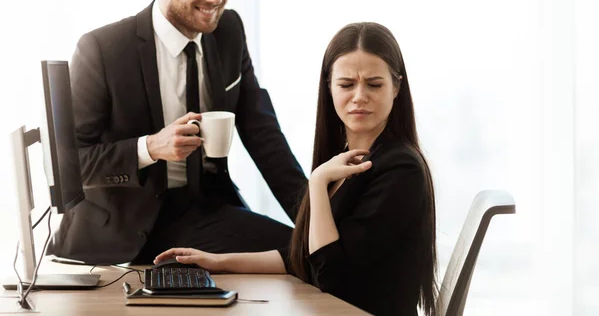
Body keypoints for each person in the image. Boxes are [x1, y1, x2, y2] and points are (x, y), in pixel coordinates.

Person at [48, 0, 307, 265]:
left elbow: (262, 133)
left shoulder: (229, 31)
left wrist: (312, 218)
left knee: (310, 252)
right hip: (124, 228)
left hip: (205, 209)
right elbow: (71, 164)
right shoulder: (103, 50)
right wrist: (150, 147)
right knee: (300, 258)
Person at [155, 22, 438, 315]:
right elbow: (306, 258)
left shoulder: (401, 170)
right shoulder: (346, 161)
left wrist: (317, 183)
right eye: (346, 84)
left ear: (396, 88)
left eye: (374, 84)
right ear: (328, 87)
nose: (359, 96)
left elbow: (333, 280)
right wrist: (216, 261)